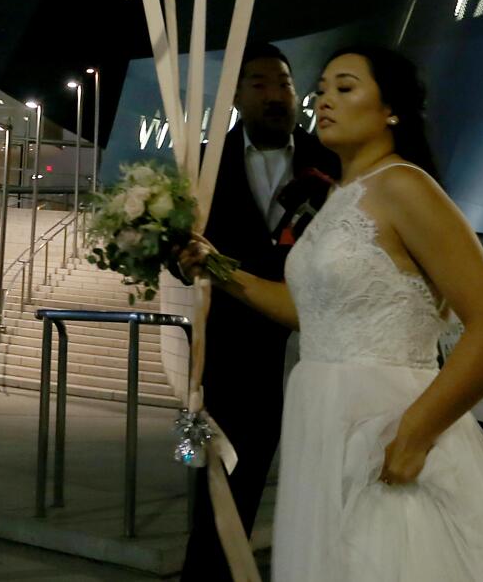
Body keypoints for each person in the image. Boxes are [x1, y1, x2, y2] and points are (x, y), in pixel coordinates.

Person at [183, 45, 483, 581]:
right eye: (322, 89)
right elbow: (309, 312)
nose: (325, 100)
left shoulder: (406, 186)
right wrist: (216, 267)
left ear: (391, 109)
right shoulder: (341, 197)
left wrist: (416, 431)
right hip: (322, 417)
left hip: (383, 421)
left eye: (345, 88)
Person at [181, 41, 336, 580]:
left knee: (327, 489)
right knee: (224, 488)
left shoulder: (333, 161)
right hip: (233, 356)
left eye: (285, 84)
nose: (276, 95)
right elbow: (179, 247)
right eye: (260, 84)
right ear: (237, 95)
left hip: (323, 348)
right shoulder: (202, 162)